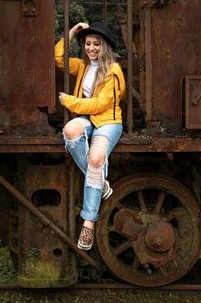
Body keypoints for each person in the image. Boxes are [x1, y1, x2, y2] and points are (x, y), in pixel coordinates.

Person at [55, 22, 126, 250]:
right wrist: (73, 31)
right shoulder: (84, 66)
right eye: (87, 43)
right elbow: (58, 58)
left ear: (104, 46)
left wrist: (70, 101)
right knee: (70, 130)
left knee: (96, 159)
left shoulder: (113, 71)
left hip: (108, 122)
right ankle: (101, 183)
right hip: (88, 119)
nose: (91, 48)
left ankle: (88, 223)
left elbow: (100, 104)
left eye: (96, 44)